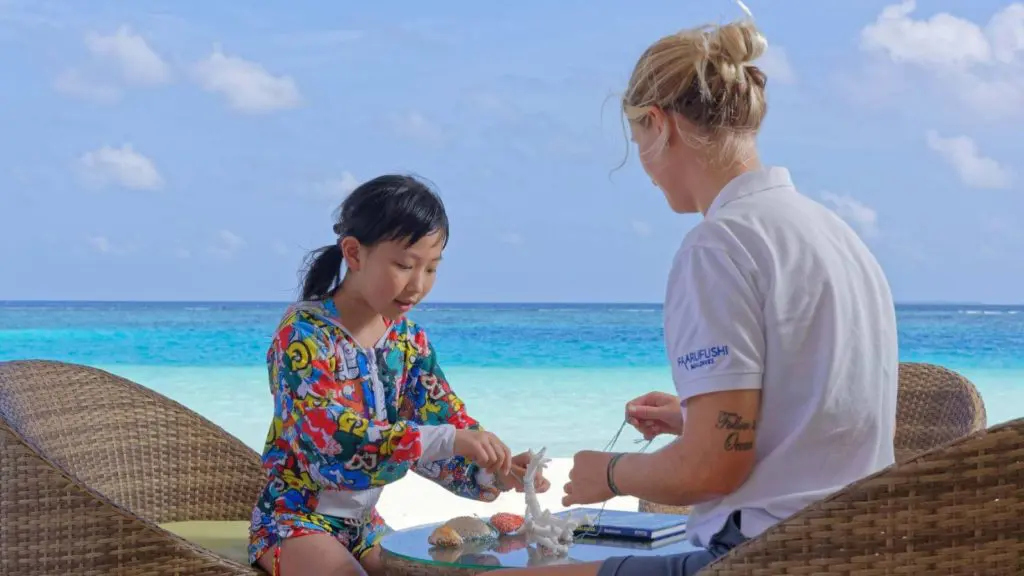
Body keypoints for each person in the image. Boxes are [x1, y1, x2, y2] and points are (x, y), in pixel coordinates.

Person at [492, 17, 898, 576]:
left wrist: (607, 472)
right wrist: (693, 417)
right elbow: (821, 416)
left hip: (764, 554)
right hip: (854, 544)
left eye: (638, 143)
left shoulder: (719, 245)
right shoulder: (833, 232)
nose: (647, 171)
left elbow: (710, 472)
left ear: (659, 126)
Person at [248, 174, 550, 576]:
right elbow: (331, 441)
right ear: (354, 254)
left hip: (365, 526)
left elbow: (442, 417)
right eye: (405, 265)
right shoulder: (303, 337)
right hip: (293, 520)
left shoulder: (408, 341)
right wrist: (448, 439)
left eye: (431, 269)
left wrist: (491, 466)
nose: (418, 286)